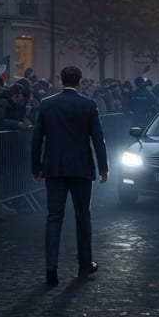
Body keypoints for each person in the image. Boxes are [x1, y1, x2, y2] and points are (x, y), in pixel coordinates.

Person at [30, 66, 109, 286]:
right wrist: (103, 167)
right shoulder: (88, 105)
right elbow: (97, 138)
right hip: (81, 167)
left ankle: (51, 267)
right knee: (83, 215)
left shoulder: (47, 104)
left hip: (54, 167)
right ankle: (85, 263)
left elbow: (37, 139)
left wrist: (35, 167)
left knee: (54, 216)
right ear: (80, 82)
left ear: (60, 80)